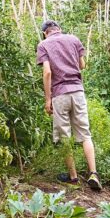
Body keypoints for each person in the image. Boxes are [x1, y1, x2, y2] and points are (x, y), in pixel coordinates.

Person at [37, 20, 101, 191]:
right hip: (78, 92)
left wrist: (48, 99)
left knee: (64, 137)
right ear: (59, 29)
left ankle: (73, 177)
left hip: (60, 94)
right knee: (85, 134)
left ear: (45, 32)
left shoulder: (43, 45)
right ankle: (93, 173)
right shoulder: (73, 39)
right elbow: (82, 65)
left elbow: (48, 72)